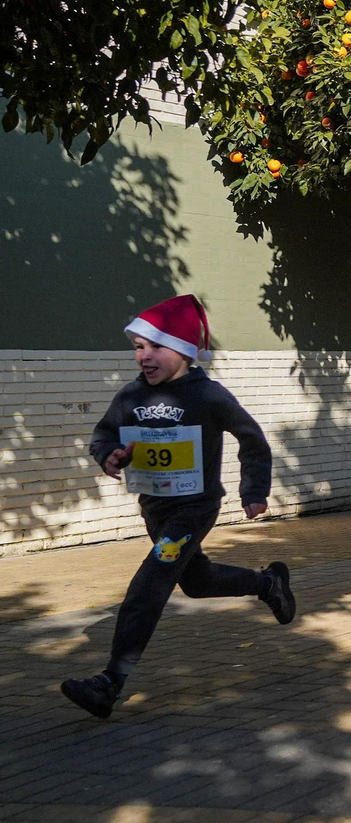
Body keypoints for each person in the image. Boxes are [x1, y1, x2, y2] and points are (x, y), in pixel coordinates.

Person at [63, 295, 297, 719]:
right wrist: (110, 455)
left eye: (155, 346)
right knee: (197, 581)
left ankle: (109, 682)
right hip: (154, 507)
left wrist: (254, 490)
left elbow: (252, 438)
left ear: (184, 350)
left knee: (150, 582)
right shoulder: (131, 395)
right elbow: (103, 436)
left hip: (195, 507)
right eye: (138, 347)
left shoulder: (208, 395)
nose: (144, 356)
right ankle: (269, 584)